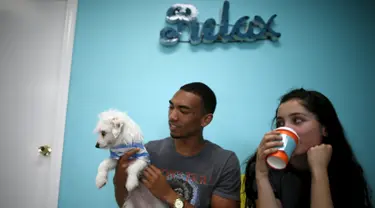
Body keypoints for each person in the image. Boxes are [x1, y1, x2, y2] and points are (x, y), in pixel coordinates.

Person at [113, 82, 241, 208]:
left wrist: (169, 195)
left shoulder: (224, 162)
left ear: (205, 120)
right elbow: (125, 204)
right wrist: (119, 178)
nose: (172, 117)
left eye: (183, 111)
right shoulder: (149, 151)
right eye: (171, 107)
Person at [243, 88, 373, 208]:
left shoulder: (344, 169)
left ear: (324, 128)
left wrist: (319, 170)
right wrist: (261, 174)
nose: (286, 129)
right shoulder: (269, 168)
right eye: (280, 123)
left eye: (297, 120)